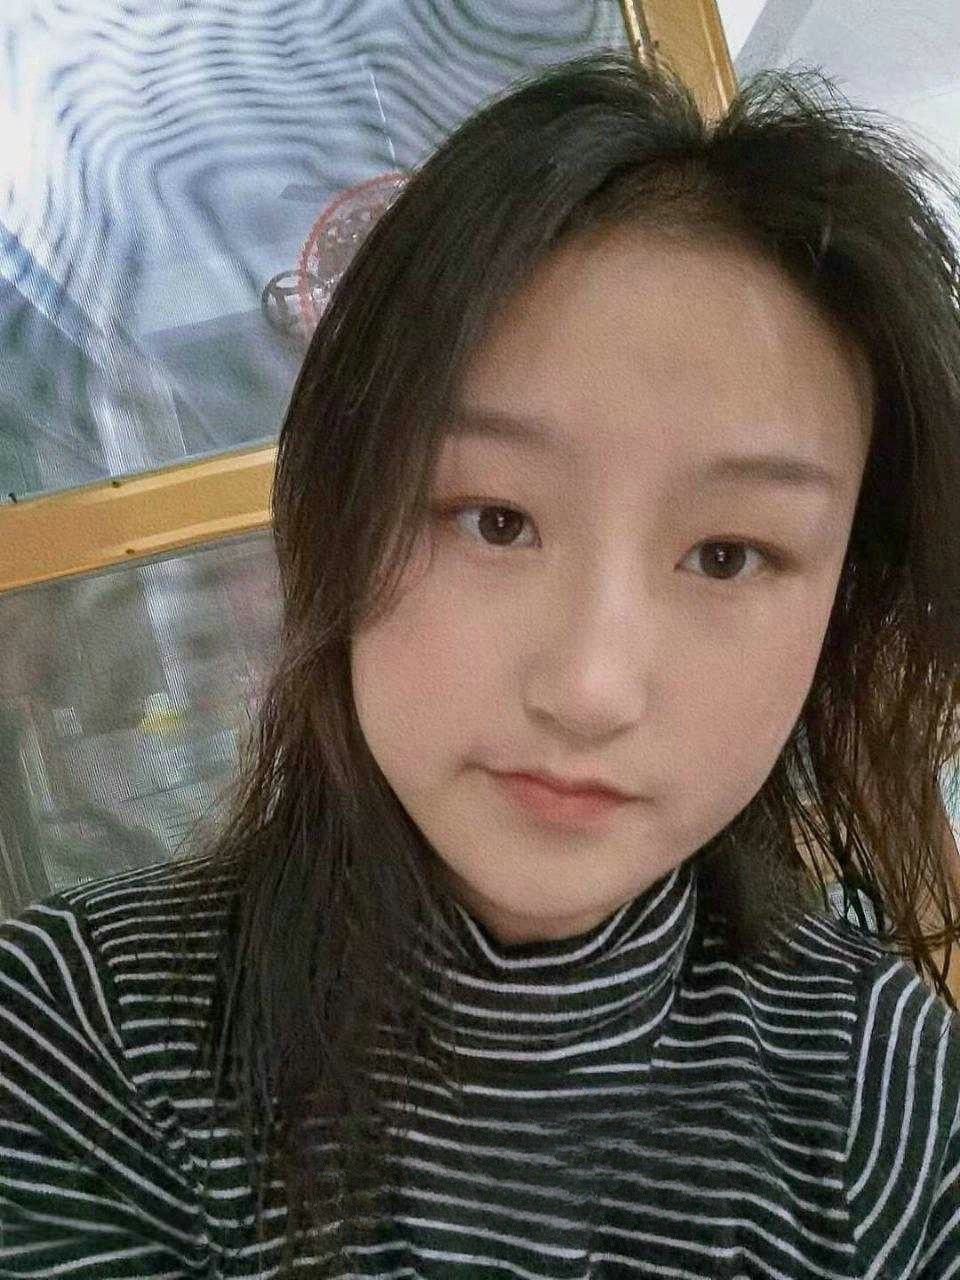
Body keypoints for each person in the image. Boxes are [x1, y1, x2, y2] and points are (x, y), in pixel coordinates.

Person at [1, 48, 959, 1280]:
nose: (591, 688)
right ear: (341, 506)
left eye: (729, 553)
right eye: (494, 519)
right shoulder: (78, 1043)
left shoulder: (883, 1089)